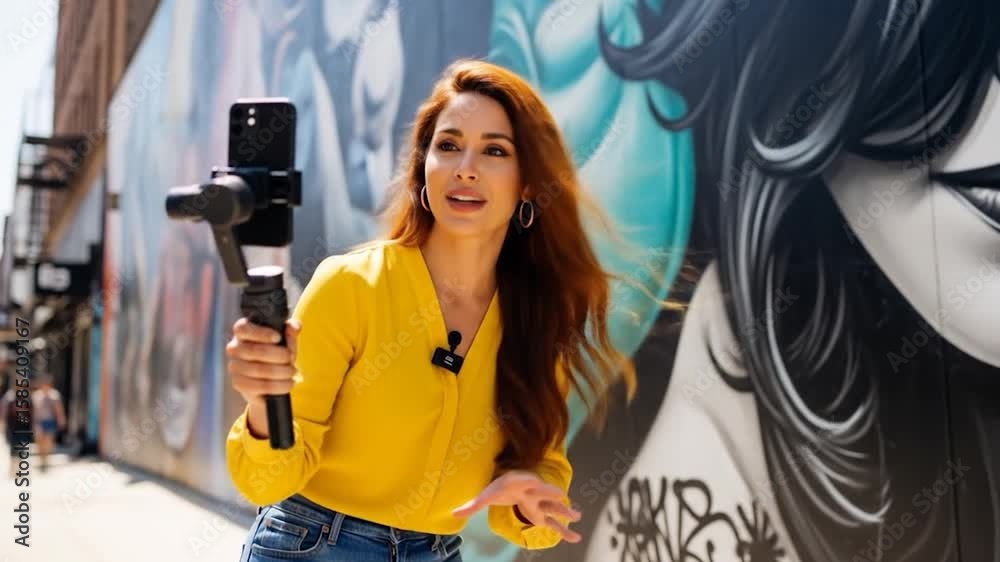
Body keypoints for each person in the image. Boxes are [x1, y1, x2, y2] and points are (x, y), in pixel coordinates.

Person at [225, 58, 636, 561]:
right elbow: (265, 481)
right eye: (448, 146)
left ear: (529, 182)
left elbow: (543, 471)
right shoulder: (351, 286)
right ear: (424, 167)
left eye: (495, 150)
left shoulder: (537, 318)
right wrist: (263, 405)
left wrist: (533, 496)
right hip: (312, 544)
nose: (465, 168)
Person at [31, 374, 65, 473]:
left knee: (48, 441)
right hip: (38, 422)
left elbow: (58, 409)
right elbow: (33, 410)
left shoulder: (54, 395)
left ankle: (45, 460)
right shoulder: (36, 395)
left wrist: (61, 420)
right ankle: (41, 459)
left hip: (50, 421)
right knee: (39, 442)